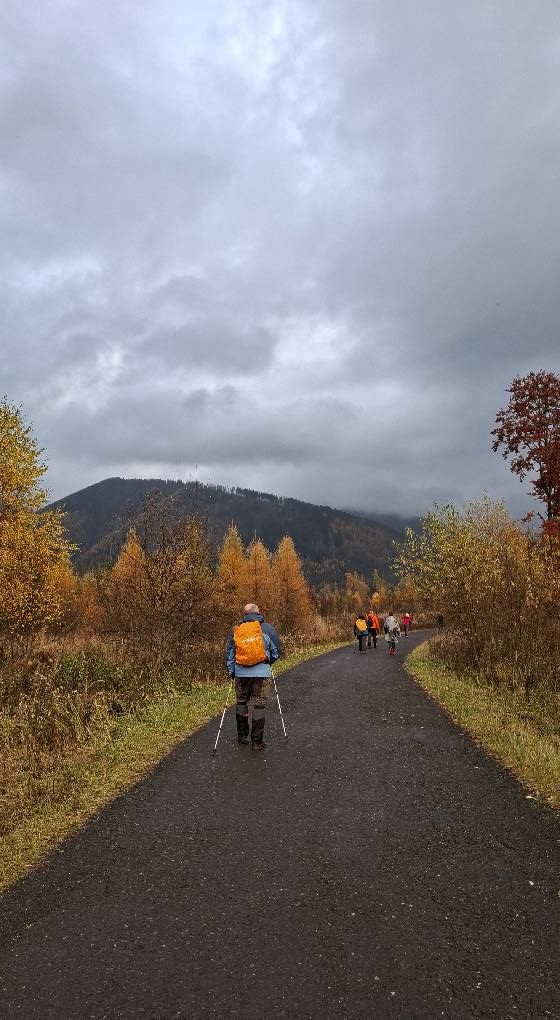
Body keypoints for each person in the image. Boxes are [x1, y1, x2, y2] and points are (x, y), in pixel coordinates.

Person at [225, 603, 281, 752]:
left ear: (244, 614)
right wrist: (268, 662)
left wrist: (231, 671)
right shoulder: (268, 629)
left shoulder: (236, 630)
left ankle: (242, 736)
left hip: (241, 674)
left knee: (241, 702)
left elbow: (230, 653)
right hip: (261, 674)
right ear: (258, 612)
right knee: (259, 705)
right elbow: (276, 652)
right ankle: (257, 742)